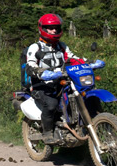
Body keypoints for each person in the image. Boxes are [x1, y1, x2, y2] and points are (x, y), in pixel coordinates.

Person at [25, 13, 84, 141]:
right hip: (41, 86)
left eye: (56, 27)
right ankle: (47, 133)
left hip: (60, 82)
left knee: (79, 94)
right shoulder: (35, 47)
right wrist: (42, 73)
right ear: (43, 28)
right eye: (50, 28)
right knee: (51, 104)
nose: (54, 30)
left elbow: (73, 58)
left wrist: (89, 62)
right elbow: (29, 66)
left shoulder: (61, 46)